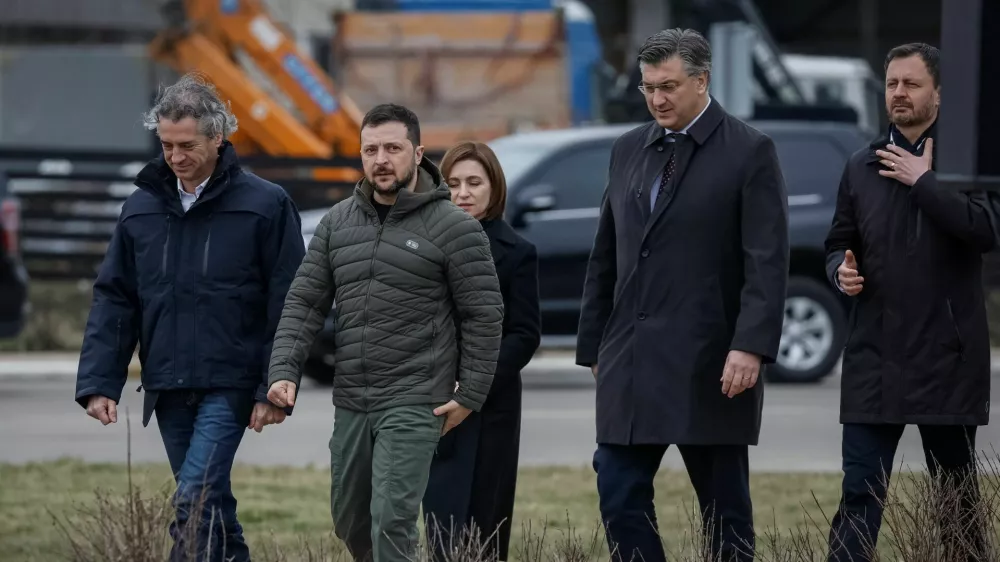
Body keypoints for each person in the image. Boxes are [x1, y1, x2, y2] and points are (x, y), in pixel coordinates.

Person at [575, 28, 789, 562]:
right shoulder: (628, 149)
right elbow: (607, 255)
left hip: (710, 360)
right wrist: (595, 346)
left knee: (725, 512)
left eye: (668, 86)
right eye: (649, 87)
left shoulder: (750, 151)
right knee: (618, 492)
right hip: (631, 360)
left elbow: (767, 261)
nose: (657, 99)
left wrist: (751, 346)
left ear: (702, 80)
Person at [74, 73, 305, 562]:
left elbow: (290, 301)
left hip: (232, 383)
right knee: (211, 505)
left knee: (192, 499)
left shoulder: (266, 204)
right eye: (165, 145)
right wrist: (100, 380)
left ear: (218, 137)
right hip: (167, 385)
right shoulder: (139, 209)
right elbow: (116, 298)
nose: (175, 157)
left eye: (186, 145)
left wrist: (274, 385)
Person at [265, 104, 504, 562]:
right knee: (351, 520)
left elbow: (484, 314)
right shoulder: (338, 223)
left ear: (417, 154)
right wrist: (284, 370)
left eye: (392, 148)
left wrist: (470, 392)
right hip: (353, 398)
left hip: (416, 397)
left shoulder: (454, 227)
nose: (381, 159)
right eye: (370, 149)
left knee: (392, 521)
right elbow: (305, 301)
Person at [824, 42, 1000, 562]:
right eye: (892, 83)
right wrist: (842, 270)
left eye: (911, 84)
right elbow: (838, 241)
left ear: (939, 94)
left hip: (946, 355)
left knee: (956, 500)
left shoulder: (969, 162)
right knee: (859, 495)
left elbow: (986, 230)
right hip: (874, 357)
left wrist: (923, 182)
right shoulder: (860, 165)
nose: (899, 94)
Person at [421, 141, 541, 561]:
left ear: (495, 188)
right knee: (440, 524)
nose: (463, 193)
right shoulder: (422, 246)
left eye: (475, 182)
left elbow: (524, 334)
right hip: (431, 403)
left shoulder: (517, 252)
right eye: (453, 183)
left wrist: (472, 384)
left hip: (491, 407)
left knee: (484, 527)